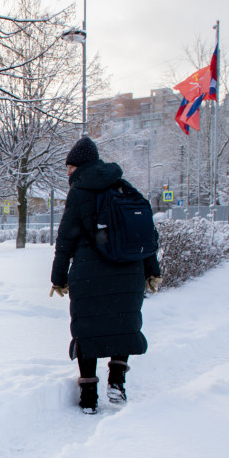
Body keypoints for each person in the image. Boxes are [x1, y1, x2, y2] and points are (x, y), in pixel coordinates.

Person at [50, 136, 162, 414]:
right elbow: (145, 233)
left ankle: (89, 396)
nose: (67, 173)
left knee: (88, 330)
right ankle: (117, 384)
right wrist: (151, 271)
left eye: (69, 166)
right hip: (129, 271)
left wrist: (58, 277)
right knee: (121, 326)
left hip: (90, 271)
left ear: (79, 166)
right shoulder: (124, 188)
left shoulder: (79, 192)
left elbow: (66, 239)